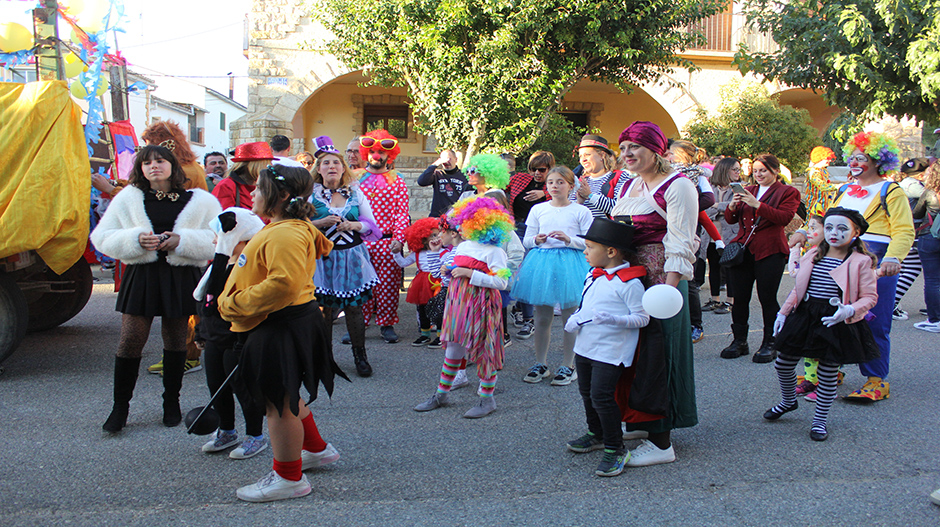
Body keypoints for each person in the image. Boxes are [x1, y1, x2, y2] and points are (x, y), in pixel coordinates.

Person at [218, 164, 347, 503]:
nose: (253, 195)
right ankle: (316, 450)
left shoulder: (285, 233)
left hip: (280, 323)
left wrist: (234, 303)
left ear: (282, 196)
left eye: (259, 190)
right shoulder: (285, 227)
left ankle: (289, 478)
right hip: (286, 321)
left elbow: (283, 283)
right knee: (285, 393)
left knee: (278, 404)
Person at [90, 145, 220, 433]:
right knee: (130, 339)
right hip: (143, 274)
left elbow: (218, 237)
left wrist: (182, 241)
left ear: (173, 165)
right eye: (147, 163)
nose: (154, 166)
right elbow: (101, 237)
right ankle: (120, 407)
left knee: (175, 340)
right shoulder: (129, 197)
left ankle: (171, 402)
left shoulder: (199, 200)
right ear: (141, 169)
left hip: (180, 274)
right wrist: (135, 240)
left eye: (160, 161)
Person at [789, 132, 914, 401]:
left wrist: (894, 258)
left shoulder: (890, 191)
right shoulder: (844, 190)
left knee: (874, 320)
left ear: (878, 161)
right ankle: (831, 368)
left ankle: (876, 379)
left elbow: (904, 230)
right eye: (853, 157)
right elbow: (823, 218)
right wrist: (803, 231)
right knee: (833, 316)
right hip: (838, 257)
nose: (855, 162)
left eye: (862, 157)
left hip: (874, 259)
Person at [608, 120, 699, 467]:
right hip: (631, 281)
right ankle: (640, 420)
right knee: (634, 356)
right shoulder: (629, 186)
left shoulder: (678, 186)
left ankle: (662, 442)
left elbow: (682, 240)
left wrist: (668, 291)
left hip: (662, 283)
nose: (627, 153)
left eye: (635, 146)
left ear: (656, 150)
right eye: (624, 147)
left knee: (660, 357)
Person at [765, 207, 880, 441]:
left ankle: (819, 421)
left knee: (827, 373)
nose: (833, 233)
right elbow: (799, 290)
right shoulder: (814, 253)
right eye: (828, 227)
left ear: (856, 232)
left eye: (842, 228)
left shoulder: (861, 261)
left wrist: (850, 309)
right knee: (783, 363)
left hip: (835, 318)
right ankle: (788, 402)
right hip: (806, 314)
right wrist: (783, 313)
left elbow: (870, 297)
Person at [412, 195, 513, 418]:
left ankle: (487, 399)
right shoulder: (465, 246)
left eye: (467, 223)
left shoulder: (495, 252)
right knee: (454, 347)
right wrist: (450, 271)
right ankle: (441, 393)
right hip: (459, 303)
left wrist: (471, 274)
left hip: (483, 305)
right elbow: (455, 265)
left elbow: (502, 283)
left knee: (486, 350)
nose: (462, 227)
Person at [563, 218, 649, 477]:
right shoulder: (593, 274)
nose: (585, 252)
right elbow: (588, 304)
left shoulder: (629, 283)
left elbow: (643, 318)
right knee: (587, 392)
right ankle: (596, 433)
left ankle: (616, 447)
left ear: (611, 252)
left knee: (602, 396)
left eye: (589, 247)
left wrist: (614, 319)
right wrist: (576, 317)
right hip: (586, 345)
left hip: (611, 351)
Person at [194, 207, 269, 459]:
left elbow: (223, 294)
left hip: (238, 338)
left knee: (243, 386)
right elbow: (205, 299)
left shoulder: (247, 266)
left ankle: (255, 435)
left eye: (220, 236)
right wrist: (200, 332)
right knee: (216, 385)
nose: (216, 241)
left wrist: (221, 252)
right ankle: (226, 430)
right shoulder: (218, 264)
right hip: (214, 335)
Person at [511, 166, 593, 386]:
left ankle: (568, 364)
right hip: (542, 262)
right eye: (550, 182)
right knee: (542, 317)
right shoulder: (538, 209)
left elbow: (589, 241)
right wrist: (536, 239)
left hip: (571, 263)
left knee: (570, 317)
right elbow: (526, 240)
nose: (554, 186)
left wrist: (569, 239)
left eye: (560, 182)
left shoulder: (581, 211)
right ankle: (541, 363)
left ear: (571, 185)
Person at [308, 137, 381, 376]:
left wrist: (353, 225)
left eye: (336, 163)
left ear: (343, 168)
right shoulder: (310, 195)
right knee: (325, 310)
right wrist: (319, 222)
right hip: (322, 259)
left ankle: (360, 356)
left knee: (354, 308)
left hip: (351, 257)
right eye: (326, 163)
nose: (332, 167)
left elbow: (371, 225)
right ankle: (325, 359)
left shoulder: (356, 193)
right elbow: (298, 225)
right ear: (318, 169)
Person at [720, 153, 801, 363]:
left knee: (767, 298)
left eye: (763, 170)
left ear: (775, 171)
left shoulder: (788, 192)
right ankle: (739, 341)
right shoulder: (748, 190)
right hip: (743, 250)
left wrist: (757, 204)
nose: (758, 175)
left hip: (770, 250)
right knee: (740, 298)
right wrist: (732, 206)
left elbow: (784, 218)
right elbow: (731, 220)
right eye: (755, 171)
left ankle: (770, 342)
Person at [358, 129, 411, 343]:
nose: (376, 156)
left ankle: (386, 324)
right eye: (372, 151)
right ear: (366, 154)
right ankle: (358, 325)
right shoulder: (357, 180)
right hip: (361, 242)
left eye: (381, 152)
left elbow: (401, 213)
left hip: (388, 242)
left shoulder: (397, 182)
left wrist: (399, 239)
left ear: (391, 155)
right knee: (361, 285)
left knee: (388, 285)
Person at [667, 140, 717, 344]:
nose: (668, 156)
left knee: (689, 278)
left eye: (671, 153)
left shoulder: (697, 175)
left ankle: (696, 324)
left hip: (687, 228)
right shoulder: (666, 172)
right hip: (666, 226)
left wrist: (688, 207)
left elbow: (710, 199)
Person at [506, 150, 554, 338]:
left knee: (529, 274)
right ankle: (526, 316)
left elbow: (569, 190)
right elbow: (500, 184)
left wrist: (544, 192)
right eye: (533, 169)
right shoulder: (519, 179)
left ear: (550, 168)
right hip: (517, 227)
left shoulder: (553, 184)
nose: (536, 173)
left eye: (541, 170)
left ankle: (524, 314)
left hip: (541, 231)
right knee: (522, 272)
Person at [391, 217, 445, 346]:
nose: (435, 239)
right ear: (423, 238)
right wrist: (396, 253)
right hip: (422, 282)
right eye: (431, 236)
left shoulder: (443, 251)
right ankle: (424, 334)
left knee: (439, 309)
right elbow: (403, 263)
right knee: (422, 309)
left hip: (438, 281)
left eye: (437, 235)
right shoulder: (417, 253)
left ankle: (440, 335)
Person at [890, 157, 929, 320]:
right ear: (921, 174)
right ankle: (891, 303)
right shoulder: (913, 186)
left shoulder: (906, 183)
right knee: (912, 269)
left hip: (906, 231)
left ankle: (892, 302)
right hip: (912, 232)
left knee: (905, 268)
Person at [701, 157, 741, 314]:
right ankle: (714, 299)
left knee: (730, 269)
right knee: (713, 268)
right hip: (710, 236)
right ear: (725, 170)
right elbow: (704, 208)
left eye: (739, 169)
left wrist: (716, 205)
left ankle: (730, 301)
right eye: (735, 169)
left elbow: (737, 208)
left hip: (730, 235)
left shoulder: (738, 189)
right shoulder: (710, 188)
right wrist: (722, 207)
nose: (738, 172)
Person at [912, 161, 940, 332]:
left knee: (932, 280)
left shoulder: (930, 193)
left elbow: (916, 214)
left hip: (929, 236)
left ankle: (935, 319)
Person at [209, 142, 276, 211]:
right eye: (267, 163)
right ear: (254, 165)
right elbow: (221, 218)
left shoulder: (265, 185)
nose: (270, 166)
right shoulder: (226, 186)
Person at [573, 134, 618, 217]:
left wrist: (590, 196)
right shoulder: (580, 182)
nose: (583, 159)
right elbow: (569, 212)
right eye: (580, 156)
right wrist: (579, 202)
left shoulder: (619, 177)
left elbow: (620, 209)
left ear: (602, 155)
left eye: (587, 155)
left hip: (606, 229)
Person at [416, 149, 467, 217]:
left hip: (456, 216)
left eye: (449, 159)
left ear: (456, 159)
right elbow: (421, 182)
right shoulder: (437, 174)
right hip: (438, 216)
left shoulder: (464, 176)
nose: (447, 162)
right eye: (444, 159)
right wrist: (435, 164)